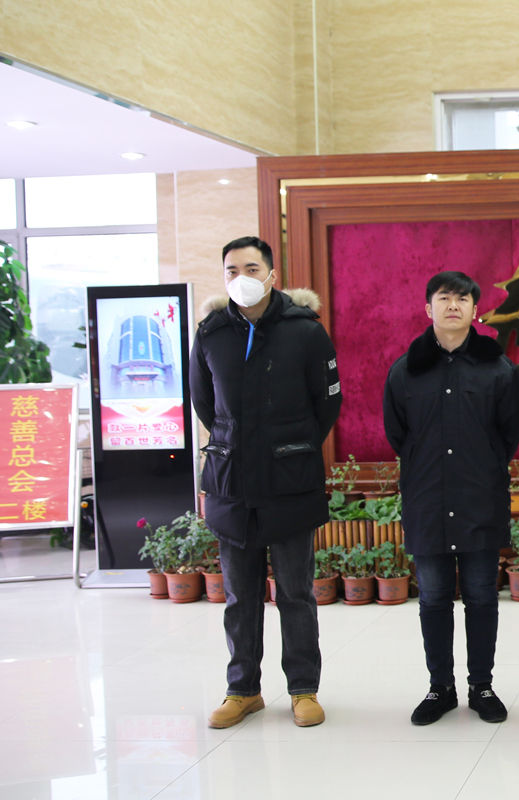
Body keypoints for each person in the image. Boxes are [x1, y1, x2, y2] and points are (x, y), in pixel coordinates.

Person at [192, 236, 342, 729]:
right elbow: (205, 404)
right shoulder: (212, 333)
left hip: (289, 480)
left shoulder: (305, 331)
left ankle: (303, 689)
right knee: (239, 596)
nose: (242, 277)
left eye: (252, 268)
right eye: (232, 269)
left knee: (295, 592)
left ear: (272, 275)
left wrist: (293, 446)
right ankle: (243, 690)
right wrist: (237, 443)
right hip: (232, 483)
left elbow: (327, 402)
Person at [383, 271, 519, 725]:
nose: (453, 306)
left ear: (475, 310)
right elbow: (398, 434)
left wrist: (480, 466)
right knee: (433, 598)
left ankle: (481, 686)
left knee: (482, 597)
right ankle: (440, 687)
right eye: (444, 298)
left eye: (462, 299)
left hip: (480, 498)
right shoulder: (405, 370)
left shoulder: (498, 369)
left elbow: (509, 434)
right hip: (426, 499)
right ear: (428, 308)